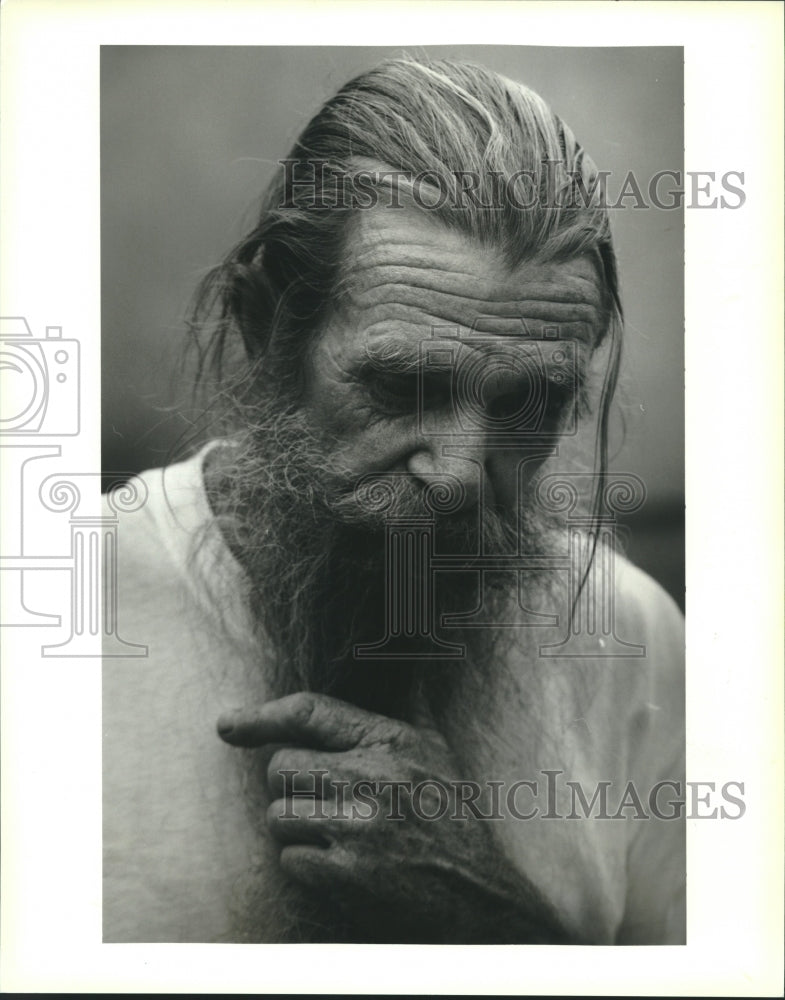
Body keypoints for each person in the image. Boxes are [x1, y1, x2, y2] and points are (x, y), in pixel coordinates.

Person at [103, 56, 685, 945]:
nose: (457, 473)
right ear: (268, 331)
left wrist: (483, 916)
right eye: (404, 386)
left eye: (528, 404)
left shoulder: (629, 634)